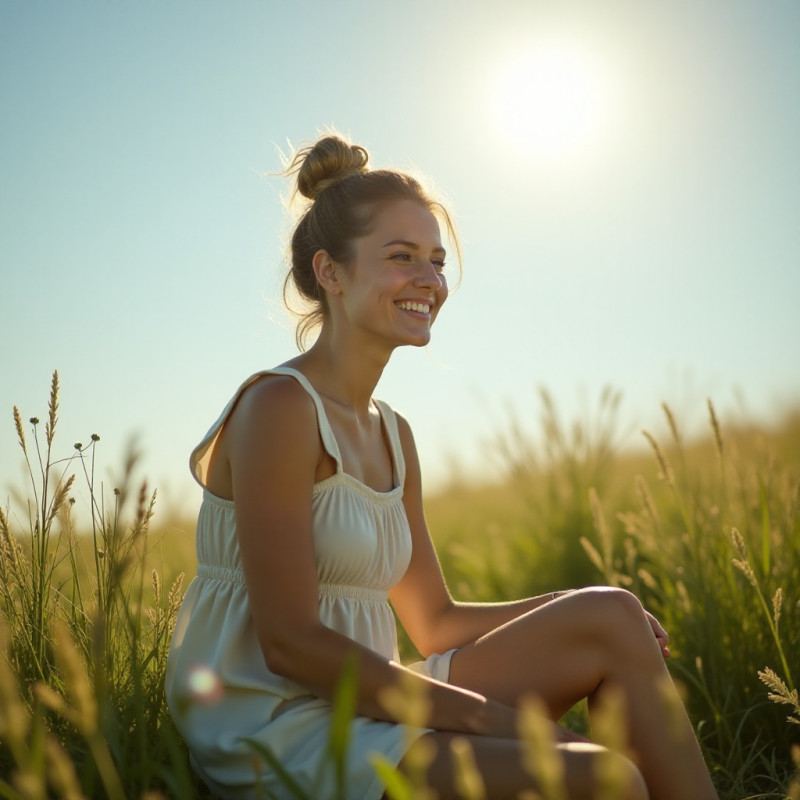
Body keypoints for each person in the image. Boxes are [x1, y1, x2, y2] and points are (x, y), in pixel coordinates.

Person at [165, 133, 719, 800]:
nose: (429, 281)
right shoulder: (279, 408)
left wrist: (573, 603)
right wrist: (500, 724)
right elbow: (291, 647)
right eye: (401, 259)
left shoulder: (392, 433)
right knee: (610, 781)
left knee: (610, 614)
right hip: (280, 726)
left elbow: (434, 622)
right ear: (330, 273)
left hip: (365, 700)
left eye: (436, 260)